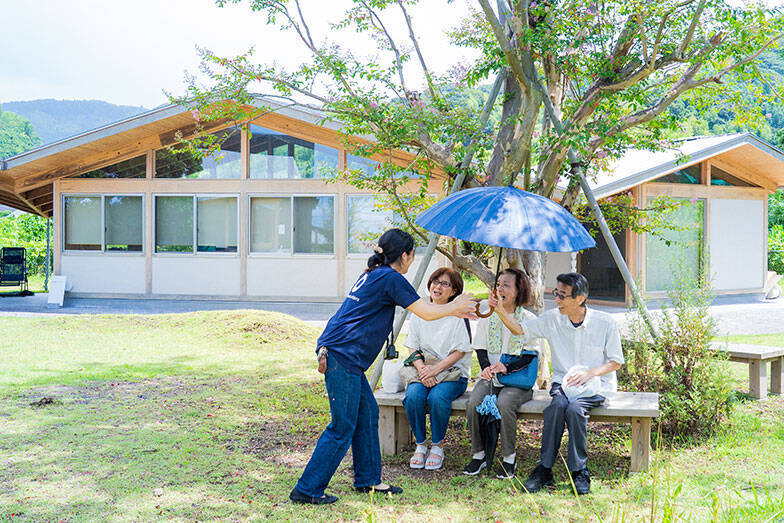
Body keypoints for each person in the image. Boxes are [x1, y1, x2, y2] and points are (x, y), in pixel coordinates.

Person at [289, 229, 477, 505]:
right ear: (404, 255)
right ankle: (307, 489)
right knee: (342, 427)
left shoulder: (373, 274)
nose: (412, 260)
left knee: (367, 415)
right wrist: (456, 305)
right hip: (343, 357)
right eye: (412, 255)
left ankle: (368, 480)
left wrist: (454, 309)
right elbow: (424, 311)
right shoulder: (390, 278)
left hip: (340, 355)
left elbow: (426, 309)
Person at [519, 272, 624, 495]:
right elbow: (521, 331)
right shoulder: (551, 319)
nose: (557, 300)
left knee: (576, 410)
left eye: (563, 296)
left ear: (580, 298)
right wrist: (498, 308)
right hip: (562, 382)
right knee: (556, 407)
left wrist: (590, 373)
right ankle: (545, 470)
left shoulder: (605, 323)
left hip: (596, 385)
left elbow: (616, 361)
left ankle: (579, 471)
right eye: (556, 294)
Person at [462, 268, 542, 479]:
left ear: (518, 290)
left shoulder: (528, 318)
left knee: (504, 403)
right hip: (491, 377)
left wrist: (506, 367)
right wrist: (486, 367)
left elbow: (530, 355)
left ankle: (509, 458)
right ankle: (478, 454)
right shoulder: (488, 315)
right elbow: (480, 347)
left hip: (517, 380)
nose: (500, 288)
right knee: (473, 403)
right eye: (498, 284)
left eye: (506, 285)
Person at [403, 268, 472, 471]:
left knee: (437, 398)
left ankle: (438, 446)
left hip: (453, 373)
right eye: (435, 281)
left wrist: (435, 370)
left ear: (454, 291)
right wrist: (424, 370)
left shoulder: (458, 314)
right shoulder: (421, 310)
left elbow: (460, 351)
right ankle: (421, 444)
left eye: (445, 284)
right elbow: (412, 345)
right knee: (414, 395)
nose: (437, 286)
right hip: (423, 369)